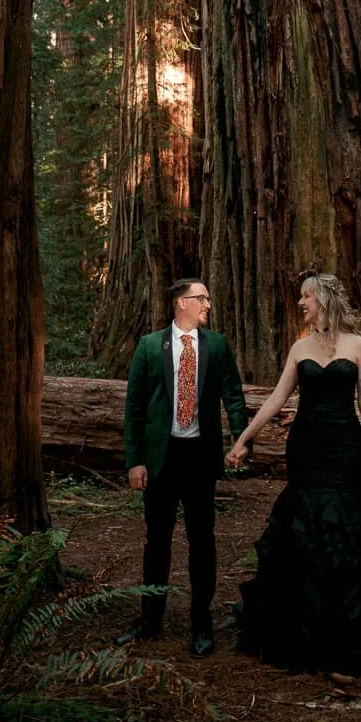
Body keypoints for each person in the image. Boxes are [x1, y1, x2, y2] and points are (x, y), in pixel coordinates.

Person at [224, 273, 361, 675]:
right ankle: (300, 632)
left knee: (343, 528)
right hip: (305, 447)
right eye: (300, 295)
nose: (301, 302)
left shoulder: (358, 345)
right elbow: (275, 399)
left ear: (324, 299)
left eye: (307, 296)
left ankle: (348, 635)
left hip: (344, 448)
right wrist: (243, 440)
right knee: (302, 528)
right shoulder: (300, 347)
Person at [119, 276, 248, 657]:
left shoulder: (217, 346)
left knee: (202, 541)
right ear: (180, 303)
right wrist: (135, 460)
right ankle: (150, 618)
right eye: (201, 298)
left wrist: (241, 440)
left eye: (207, 297)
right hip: (162, 457)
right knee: (156, 541)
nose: (207, 304)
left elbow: (234, 397)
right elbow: (135, 408)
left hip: (199, 456)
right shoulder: (148, 346)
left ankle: (201, 623)